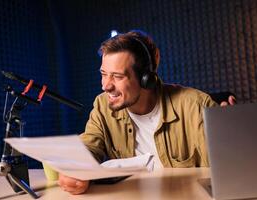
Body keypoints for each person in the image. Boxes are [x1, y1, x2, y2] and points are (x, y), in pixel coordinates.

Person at [57, 30, 236, 195]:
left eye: (117, 77)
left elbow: (226, 166)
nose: (106, 85)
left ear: (145, 79)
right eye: (104, 74)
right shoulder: (102, 105)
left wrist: (229, 137)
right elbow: (89, 144)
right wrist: (76, 168)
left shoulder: (195, 106)